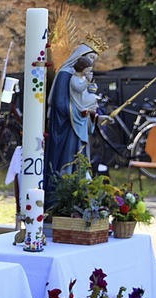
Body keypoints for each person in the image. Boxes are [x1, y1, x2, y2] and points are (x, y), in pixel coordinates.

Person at [44, 34, 108, 203]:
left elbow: (84, 96)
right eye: (91, 58)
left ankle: (79, 194)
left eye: (94, 59)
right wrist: (81, 112)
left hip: (79, 124)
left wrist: (93, 115)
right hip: (66, 127)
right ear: (81, 57)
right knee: (67, 159)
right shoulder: (65, 74)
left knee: (80, 161)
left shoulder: (80, 76)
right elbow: (59, 103)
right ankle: (63, 197)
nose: (92, 63)